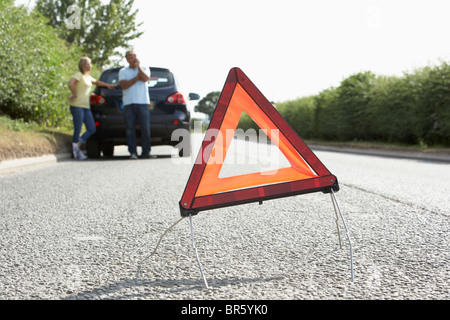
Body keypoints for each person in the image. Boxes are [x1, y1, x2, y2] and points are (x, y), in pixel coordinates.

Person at [68, 57, 115, 160]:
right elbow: (71, 83)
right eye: (88, 64)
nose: (90, 66)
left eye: (90, 64)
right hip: (77, 106)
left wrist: (108, 85)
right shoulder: (79, 75)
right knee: (78, 128)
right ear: (83, 65)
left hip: (86, 107)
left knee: (92, 128)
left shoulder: (88, 77)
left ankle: (78, 144)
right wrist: (74, 94)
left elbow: (97, 82)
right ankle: (76, 150)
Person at [118, 50, 153, 159]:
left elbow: (145, 78)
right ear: (127, 59)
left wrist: (139, 68)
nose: (131, 59)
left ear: (136, 58)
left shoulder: (145, 68)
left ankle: (146, 152)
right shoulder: (123, 71)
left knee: (145, 128)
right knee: (130, 128)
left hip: (143, 103)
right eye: (129, 57)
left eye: (133, 57)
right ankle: (133, 152)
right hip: (129, 103)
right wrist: (136, 78)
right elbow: (124, 85)